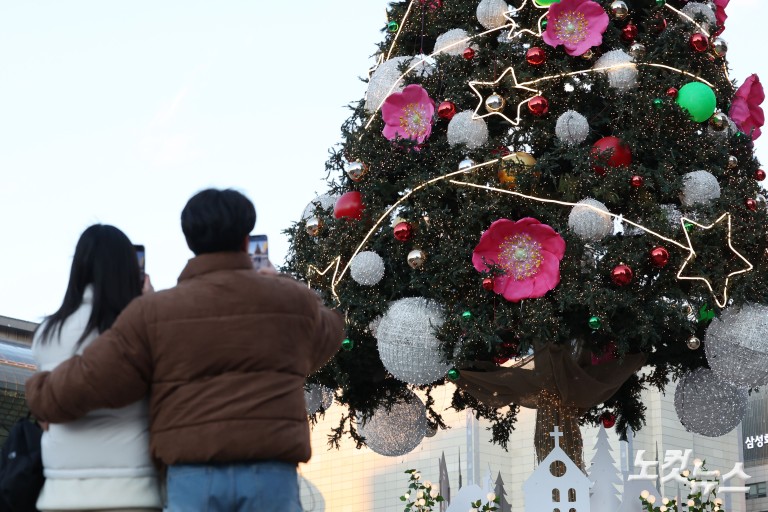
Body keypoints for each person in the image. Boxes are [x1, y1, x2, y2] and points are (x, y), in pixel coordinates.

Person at [26, 188, 345, 512]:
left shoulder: (154, 311)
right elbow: (331, 330)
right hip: (270, 470)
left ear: (190, 240)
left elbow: (93, 376)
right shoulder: (291, 302)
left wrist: (40, 390)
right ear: (246, 241)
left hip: (192, 473)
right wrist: (282, 283)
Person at [31, 224, 162, 512]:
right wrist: (148, 306)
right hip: (132, 490)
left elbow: (45, 418)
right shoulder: (141, 330)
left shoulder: (47, 334)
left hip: (60, 491)